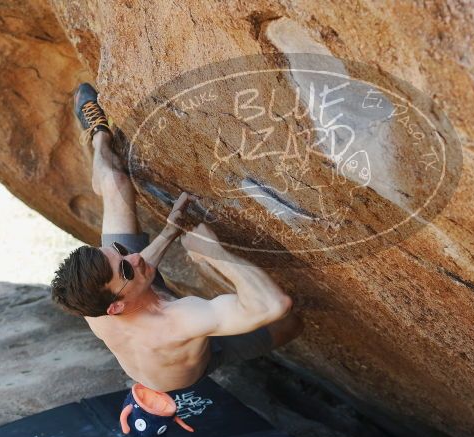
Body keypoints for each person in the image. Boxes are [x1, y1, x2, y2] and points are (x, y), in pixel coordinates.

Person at [51, 84, 303, 392]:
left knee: (115, 184)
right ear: (114, 308)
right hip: (188, 361)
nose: (134, 256)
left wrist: (170, 231)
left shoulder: (93, 297)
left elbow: (130, 267)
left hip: (141, 297)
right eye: (125, 268)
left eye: (118, 250)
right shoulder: (178, 321)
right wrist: (215, 254)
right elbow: (274, 304)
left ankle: (98, 135)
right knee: (291, 322)